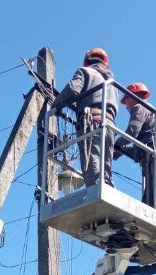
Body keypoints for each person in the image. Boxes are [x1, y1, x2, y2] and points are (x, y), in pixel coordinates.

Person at [51, 48, 119, 187]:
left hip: (92, 122)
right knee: (105, 166)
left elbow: (73, 89)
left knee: (92, 163)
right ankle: (107, 189)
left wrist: (55, 104)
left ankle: (96, 191)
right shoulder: (113, 84)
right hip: (110, 125)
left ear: (87, 61)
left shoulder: (85, 71)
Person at [114, 82, 156, 216]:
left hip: (151, 154)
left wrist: (116, 143)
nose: (126, 106)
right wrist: (118, 152)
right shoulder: (152, 112)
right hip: (154, 154)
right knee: (152, 190)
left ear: (131, 97)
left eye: (125, 100)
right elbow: (138, 142)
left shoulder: (139, 108)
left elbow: (132, 132)